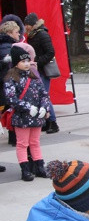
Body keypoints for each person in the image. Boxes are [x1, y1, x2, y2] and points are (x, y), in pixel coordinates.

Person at [3, 46, 50, 181]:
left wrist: (44, 107)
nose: (26, 64)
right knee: (22, 144)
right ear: (15, 63)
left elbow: (44, 94)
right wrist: (28, 107)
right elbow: (11, 98)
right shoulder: (10, 78)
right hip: (22, 117)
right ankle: (25, 170)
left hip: (36, 116)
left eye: (28, 61)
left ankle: (40, 167)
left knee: (35, 142)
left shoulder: (34, 76)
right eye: (23, 61)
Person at [23, 13, 59, 134]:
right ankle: (46, 122)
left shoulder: (42, 34)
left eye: (27, 24)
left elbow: (50, 52)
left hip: (42, 70)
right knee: (39, 96)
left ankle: (53, 122)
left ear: (33, 24)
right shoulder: (32, 35)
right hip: (36, 70)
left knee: (43, 96)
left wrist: (37, 62)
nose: (26, 27)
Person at [0, 20, 21, 151]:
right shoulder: (7, 48)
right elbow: (9, 69)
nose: (19, 34)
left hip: (4, 85)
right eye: (16, 32)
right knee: (12, 110)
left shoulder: (6, 45)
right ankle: (14, 137)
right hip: (6, 85)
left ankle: (13, 137)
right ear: (9, 33)